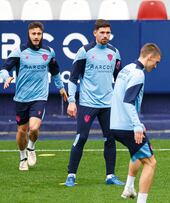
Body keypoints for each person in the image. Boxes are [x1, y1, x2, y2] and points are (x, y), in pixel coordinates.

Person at [0, 21, 68, 171]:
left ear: (42, 34)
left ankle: (31, 147)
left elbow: (55, 72)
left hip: (39, 97)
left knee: (34, 128)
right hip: (21, 98)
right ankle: (22, 156)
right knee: (22, 131)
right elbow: (4, 68)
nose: (36, 36)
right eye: (33, 34)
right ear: (29, 34)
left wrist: (61, 88)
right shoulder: (20, 51)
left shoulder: (48, 52)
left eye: (39, 34)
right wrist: (7, 78)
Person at [65, 19, 123, 187]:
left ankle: (110, 176)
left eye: (108, 33)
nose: (105, 36)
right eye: (102, 32)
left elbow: (119, 79)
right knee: (81, 137)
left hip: (108, 104)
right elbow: (73, 78)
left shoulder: (115, 52)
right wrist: (71, 101)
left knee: (110, 139)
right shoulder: (85, 51)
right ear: (95, 33)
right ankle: (71, 175)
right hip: (87, 103)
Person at [110, 43, 161, 203]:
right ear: (149, 57)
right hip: (127, 126)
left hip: (115, 124)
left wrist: (137, 122)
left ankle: (128, 188)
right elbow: (128, 101)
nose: (156, 66)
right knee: (151, 163)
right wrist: (136, 125)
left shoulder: (126, 69)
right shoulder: (139, 74)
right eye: (156, 62)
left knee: (137, 153)